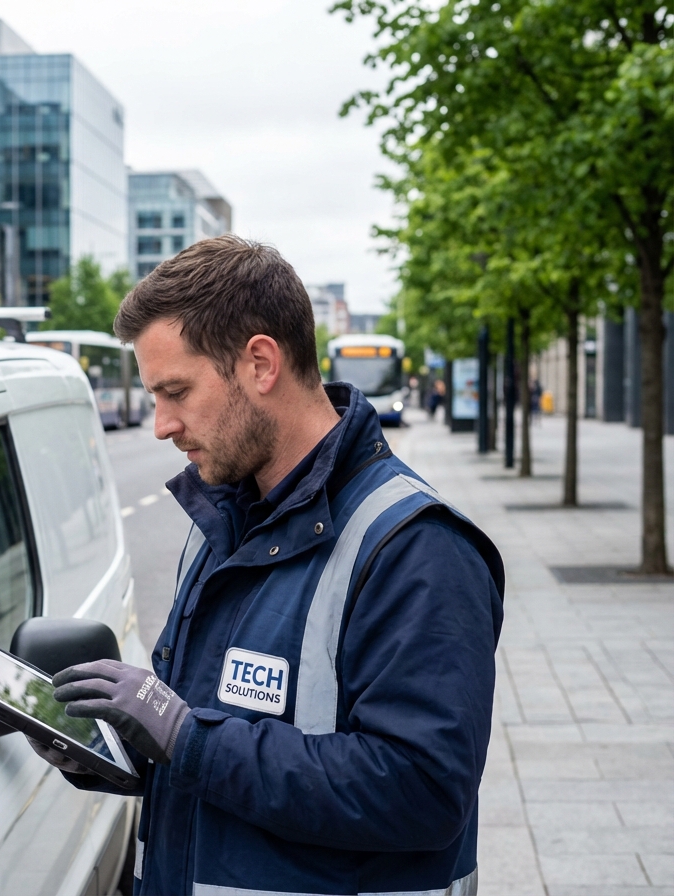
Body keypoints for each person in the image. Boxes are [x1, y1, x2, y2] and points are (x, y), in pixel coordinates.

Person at [29, 236, 503, 896]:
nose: (162, 424)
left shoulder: (416, 549)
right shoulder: (223, 519)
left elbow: (422, 791)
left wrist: (188, 739)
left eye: (177, 391)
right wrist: (120, 748)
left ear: (260, 363)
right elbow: (211, 746)